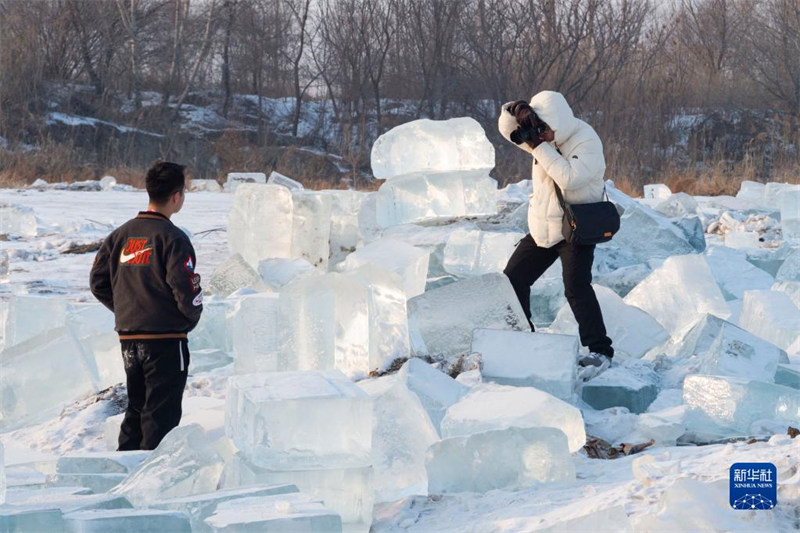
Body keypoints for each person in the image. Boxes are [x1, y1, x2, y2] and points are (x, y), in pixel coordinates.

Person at [498, 91, 614, 379]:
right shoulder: (543, 138)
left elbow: (569, 178)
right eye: (539, 129)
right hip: (545, 225)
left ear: (558, 123)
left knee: (576, 287)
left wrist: (538, 145)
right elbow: (508, 132)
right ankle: (522, 339)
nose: (542, 135)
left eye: (546, 129)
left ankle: (600, 351)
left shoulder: (586, 140)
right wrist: (514, 111)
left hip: (577, 227)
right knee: (512, 280)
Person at [90, 161, 203, 450]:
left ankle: (126, 465)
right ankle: (151, 473)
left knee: (137, 409)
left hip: (130, 338)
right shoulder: (173, 238)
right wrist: (187, 319)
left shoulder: (120, 235)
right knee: (161, 416)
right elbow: (185, 289)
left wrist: (129, 310)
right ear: (176, 196)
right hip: (166, 340)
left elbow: (98, 282)